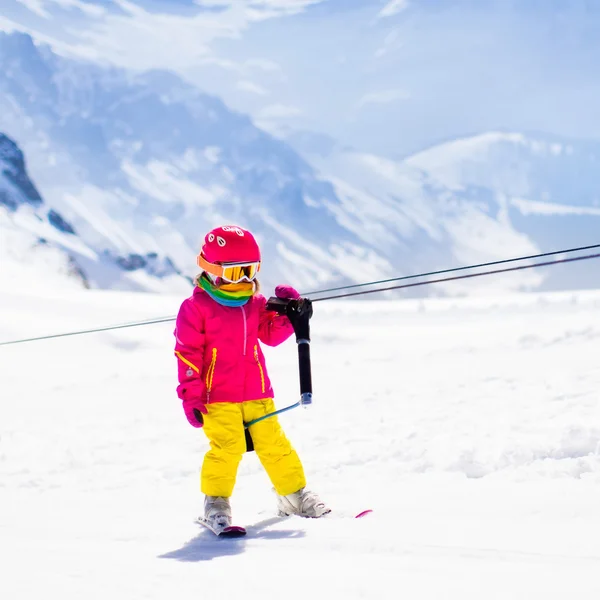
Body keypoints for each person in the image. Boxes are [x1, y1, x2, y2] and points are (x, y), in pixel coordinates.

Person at [174, 225, 329, 530]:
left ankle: (292, 495)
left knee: (275, 444)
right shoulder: (195, 308)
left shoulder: (254, 303)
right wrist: (190, 395)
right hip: (216, 397)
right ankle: (215, 502)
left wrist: (289, 314)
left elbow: (270, 336)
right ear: (211, 269)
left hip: (257, 392)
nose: (244, 280)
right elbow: (187, 354)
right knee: (227, 448)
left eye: (250, 270)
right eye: (235, 273)